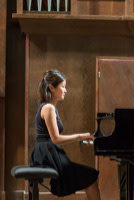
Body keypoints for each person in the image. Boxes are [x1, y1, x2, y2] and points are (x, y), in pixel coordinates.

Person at [30, 70, 101, 200]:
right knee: (91, 177)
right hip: (48, 153)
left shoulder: (48, 107)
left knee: (89, 176)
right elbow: (55, 139)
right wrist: (80, 136)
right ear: (52, 87)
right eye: (63, 86)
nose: (65, 90)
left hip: (47, 151)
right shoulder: (49, 108)